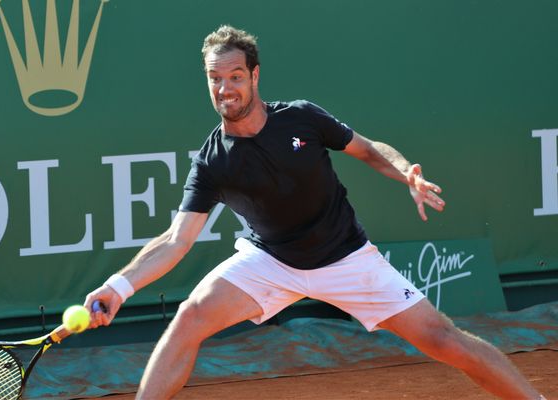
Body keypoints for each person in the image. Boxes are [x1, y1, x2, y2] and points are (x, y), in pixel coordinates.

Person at [84, 25, 545, 400]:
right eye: (215, 78)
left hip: (347, 259)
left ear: (255, 76)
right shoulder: (212, 161)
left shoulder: (301, 119)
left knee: (444, 340)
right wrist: (118, 287)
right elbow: (175, 240)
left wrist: (407, 173)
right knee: (189, 317)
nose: (225, 88)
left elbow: (367, 150)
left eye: (235, 76)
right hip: (268, 263)